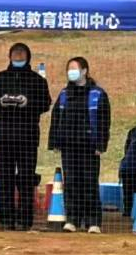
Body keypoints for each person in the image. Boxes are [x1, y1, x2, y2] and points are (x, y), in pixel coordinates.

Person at [0, 42, 52, 231]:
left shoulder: (37, 80)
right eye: (15, 53)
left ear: (28, 56)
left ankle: (25, 219)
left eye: (22, 53)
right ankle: (6, 219)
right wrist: (1, 101)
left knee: (26, 178)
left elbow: (45, 104)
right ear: (9, 56)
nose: (18, 56)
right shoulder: (0, 77)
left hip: (27, 136)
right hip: (4, 136)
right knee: (5, 178)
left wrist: (27, 103)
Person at [47, 57, 111, 232]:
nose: (71, 72)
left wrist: (101, 144)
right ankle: (72, 219)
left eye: (74, 68)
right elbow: (56, 118)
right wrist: (55, 141)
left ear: (84, 71)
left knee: (89, 182)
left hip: (89, 147)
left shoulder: (98, 94)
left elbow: (104, 121)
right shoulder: (64, 94)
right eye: (69, 69)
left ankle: (93, 221)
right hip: (69, 146)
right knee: (71, 182)